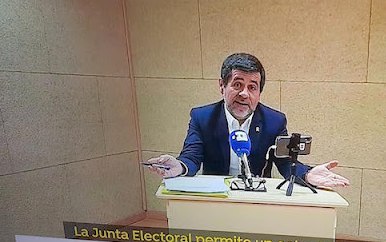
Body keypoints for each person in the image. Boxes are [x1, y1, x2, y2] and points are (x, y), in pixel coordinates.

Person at [146, 53, 350, 189]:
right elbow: (191, 157)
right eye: (237, 84)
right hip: (218, 202)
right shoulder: (202, 117)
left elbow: (285, 163)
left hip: (258, 201)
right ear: (222, 86)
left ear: (259, 92)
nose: (244, 93)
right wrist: (179, 167)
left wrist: (307, 175)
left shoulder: (274, 121)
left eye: (252, 87)